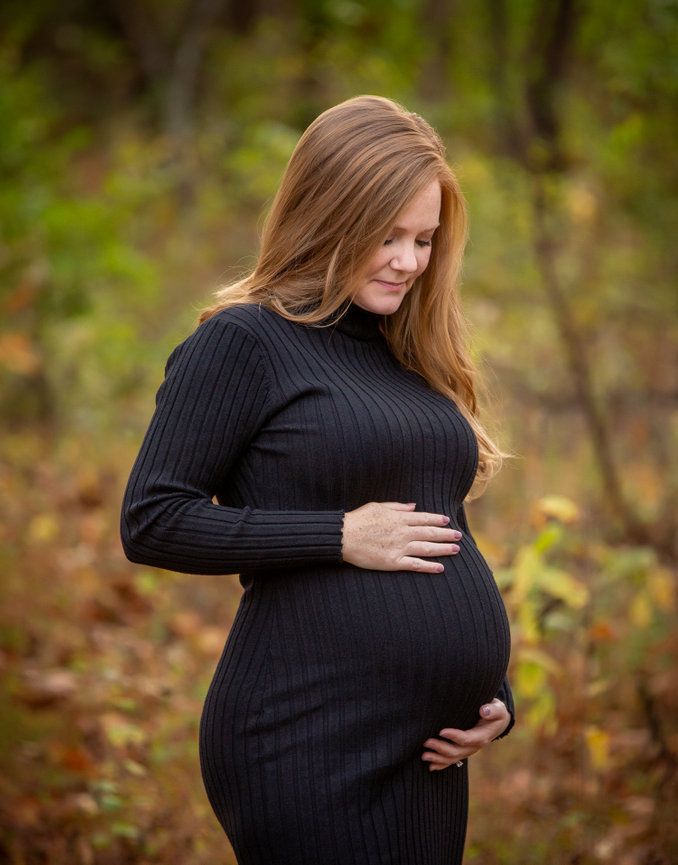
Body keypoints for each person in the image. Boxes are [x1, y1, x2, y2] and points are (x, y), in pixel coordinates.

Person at [121, 95, 514, 865]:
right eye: (388, 236)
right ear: (329, 216)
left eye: (424, 239)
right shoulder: (244, 341)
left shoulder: (406, 351)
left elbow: (442, 530)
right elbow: (153, 517)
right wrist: (338, 534)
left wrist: (494, 689)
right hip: (308, 737)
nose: (409, 261)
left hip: (429, 754)